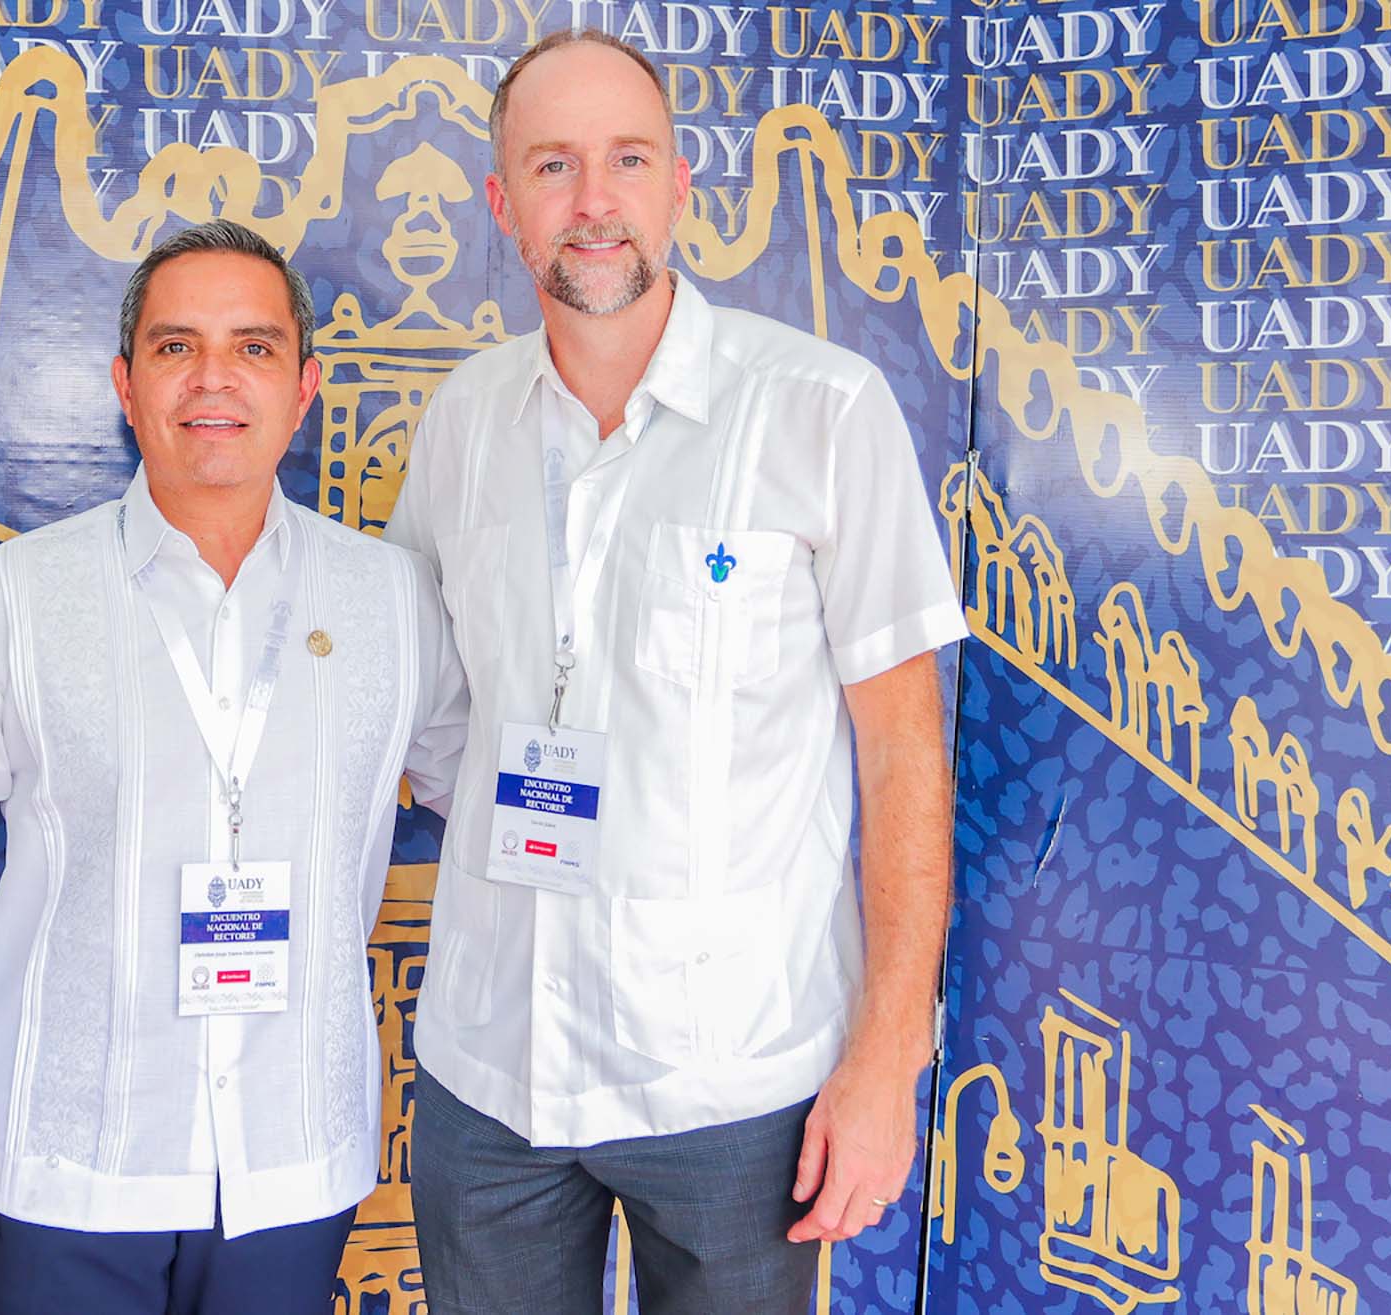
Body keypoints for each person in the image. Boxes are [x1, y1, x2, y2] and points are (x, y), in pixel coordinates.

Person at [382, 29, 966, 1313]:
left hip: (734, 1087)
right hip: (489, 1073)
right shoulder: (461, 420)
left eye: (627, 160)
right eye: (552, 165)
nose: (592, 201)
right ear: (501, 202)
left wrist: (887, 1054)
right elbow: (426, 689)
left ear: (679, 186)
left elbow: (901, 753)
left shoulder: (821, 409)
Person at [0, 219, 468, 1315]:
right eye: (176, 345)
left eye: (253, 347)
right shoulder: (18, 598)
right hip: (66, 1157)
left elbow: (477, 797)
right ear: (125, 383)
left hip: (293, 1157)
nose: (213, 378)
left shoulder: (391, 601)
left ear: (304, 388)